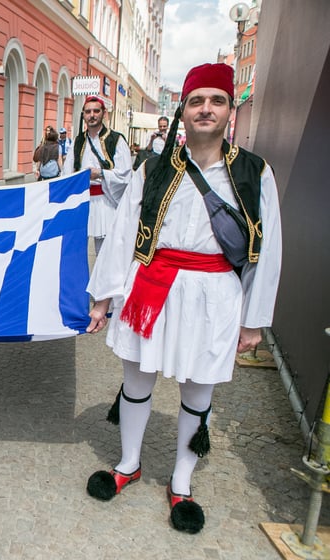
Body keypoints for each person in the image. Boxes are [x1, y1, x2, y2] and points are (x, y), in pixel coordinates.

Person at [84, 63, 282, 534]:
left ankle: (181, 481)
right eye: (196, 101)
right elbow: (123, 232)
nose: (205, 109)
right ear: (183, 110)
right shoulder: (154, 167)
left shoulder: (255, 172)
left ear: (229, 111)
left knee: (198, 390)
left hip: (214, 294)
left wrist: (254, 320)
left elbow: (268, 246)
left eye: (216, 101)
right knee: (136, 379)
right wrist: (103, 298)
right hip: (150, 285)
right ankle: (129, 463)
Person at [62, 95, 132, 257]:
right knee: (76, 251)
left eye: (96, 111)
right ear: (83, 115)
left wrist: (100, 173)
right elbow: (67, 172)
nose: (92, 115)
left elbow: (125, 174)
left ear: (103, 113)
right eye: (88, 112)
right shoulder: (78, 141)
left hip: (106, 200)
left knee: (105, 253)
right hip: (82, 200)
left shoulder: (116, 140)